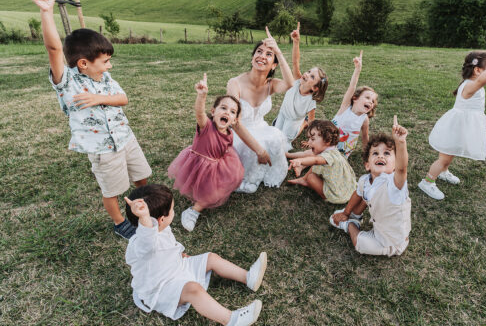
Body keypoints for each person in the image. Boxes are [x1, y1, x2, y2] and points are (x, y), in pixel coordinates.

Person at [31, 0, 151, 239]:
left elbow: (123, 98)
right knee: (112, 190)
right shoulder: (67, 81)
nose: (110, 65)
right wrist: (46, 11)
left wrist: (99, 98)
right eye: (105, 61)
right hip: (103, 150)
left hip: (126, 139)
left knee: (142, 177)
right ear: (84, 63)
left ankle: (146, 205)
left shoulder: (106, 80)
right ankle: (120, 223)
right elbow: (54, 50)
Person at [125, 184, 267, 325]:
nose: (174, 211)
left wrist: (178, 256)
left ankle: (248, 277)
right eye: (172, 209)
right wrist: (144, 217)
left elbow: (165, 250)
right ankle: (232, 320)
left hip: (177, 267)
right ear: (161, 220)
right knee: (193, 290)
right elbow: (148, 240)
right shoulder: (142, 244)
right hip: (161, 288)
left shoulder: (163, 228)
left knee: (211, 258)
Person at [418, 46, 486, 200]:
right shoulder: (471, 85)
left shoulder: (473, 84)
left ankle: (443, 171)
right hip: (455, 128)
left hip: (461, 127)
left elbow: (483, 80)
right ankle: (428, 181)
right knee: (444, 159)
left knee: (451, 154)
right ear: (477, 71)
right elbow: (483, 80)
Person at [168, 74, 244, 232]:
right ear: (213, 111)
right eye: (223, 108)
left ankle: (199, 204)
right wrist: (202, 96)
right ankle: (193, 211)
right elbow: (199, 113)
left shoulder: (229, 134)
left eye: (232, 112)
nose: (227, 112)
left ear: (235, 120)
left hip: (216, 166)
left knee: (213, 191)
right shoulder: (206, 126)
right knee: (201, 187)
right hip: (197, 163)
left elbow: (224, 149)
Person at [330, 116, 411, 257]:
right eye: (375, 153)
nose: (381, 156)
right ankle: (355, 216)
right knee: (364, 192)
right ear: (367, 165)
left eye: (387, 153)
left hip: (390, 241)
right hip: (378, 227)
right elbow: (357, 194)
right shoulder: (365, 180)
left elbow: (402, 169)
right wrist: (345, 213)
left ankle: (350, 225)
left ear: (395, 164)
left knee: (360, 245)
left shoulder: (395, 184)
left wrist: (401, 142)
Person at [227, 27, 295, 193]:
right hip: (238, 133)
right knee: (257, 146)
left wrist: (278, 51)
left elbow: (290, 83)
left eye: (268, 54)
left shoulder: (271, 84)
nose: (262, 56)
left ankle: (264, 172)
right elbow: (234, 122)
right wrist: (259, 150)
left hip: (260, 127)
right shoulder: (234, 83)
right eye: (259, 52)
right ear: (252, 58)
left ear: (273, 65)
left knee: (274, 138)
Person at [273, 23, 328, 147]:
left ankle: (301, 124)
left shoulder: (310, 102)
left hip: (293, 120)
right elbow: (295, 62)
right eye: (309, 72)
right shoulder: (297, 80)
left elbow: (312, 121)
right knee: (275, 135)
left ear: (315, 88)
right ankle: (301, 123)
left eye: (312, 77)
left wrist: (311, 139)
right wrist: (296, 42)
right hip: (283, 113)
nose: (307, 74)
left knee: (284, 142)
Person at [287, 120, 356, 204]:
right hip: (346, 187)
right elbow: (316, 161)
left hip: (337, 195)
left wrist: (300, 161)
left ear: (327, 141)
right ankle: (303, 179)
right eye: (309, 139)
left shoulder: (328, 156)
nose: (309, 142)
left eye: (312, 139)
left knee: (311, 178)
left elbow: (315, 160)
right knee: (315, 166)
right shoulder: (332, 150)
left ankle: (325, 195)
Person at [332, 51, 377, 158]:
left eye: (373, 101)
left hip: (343, 154)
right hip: (326, 144)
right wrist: (357, 70)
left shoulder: (364, 119)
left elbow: (365, 137)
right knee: (316, 156)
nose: (371, 102)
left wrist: (367, 155)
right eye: (367, 97)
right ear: (355, 98)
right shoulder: (346, 107)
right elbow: (352, 86)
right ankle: (303, 163)